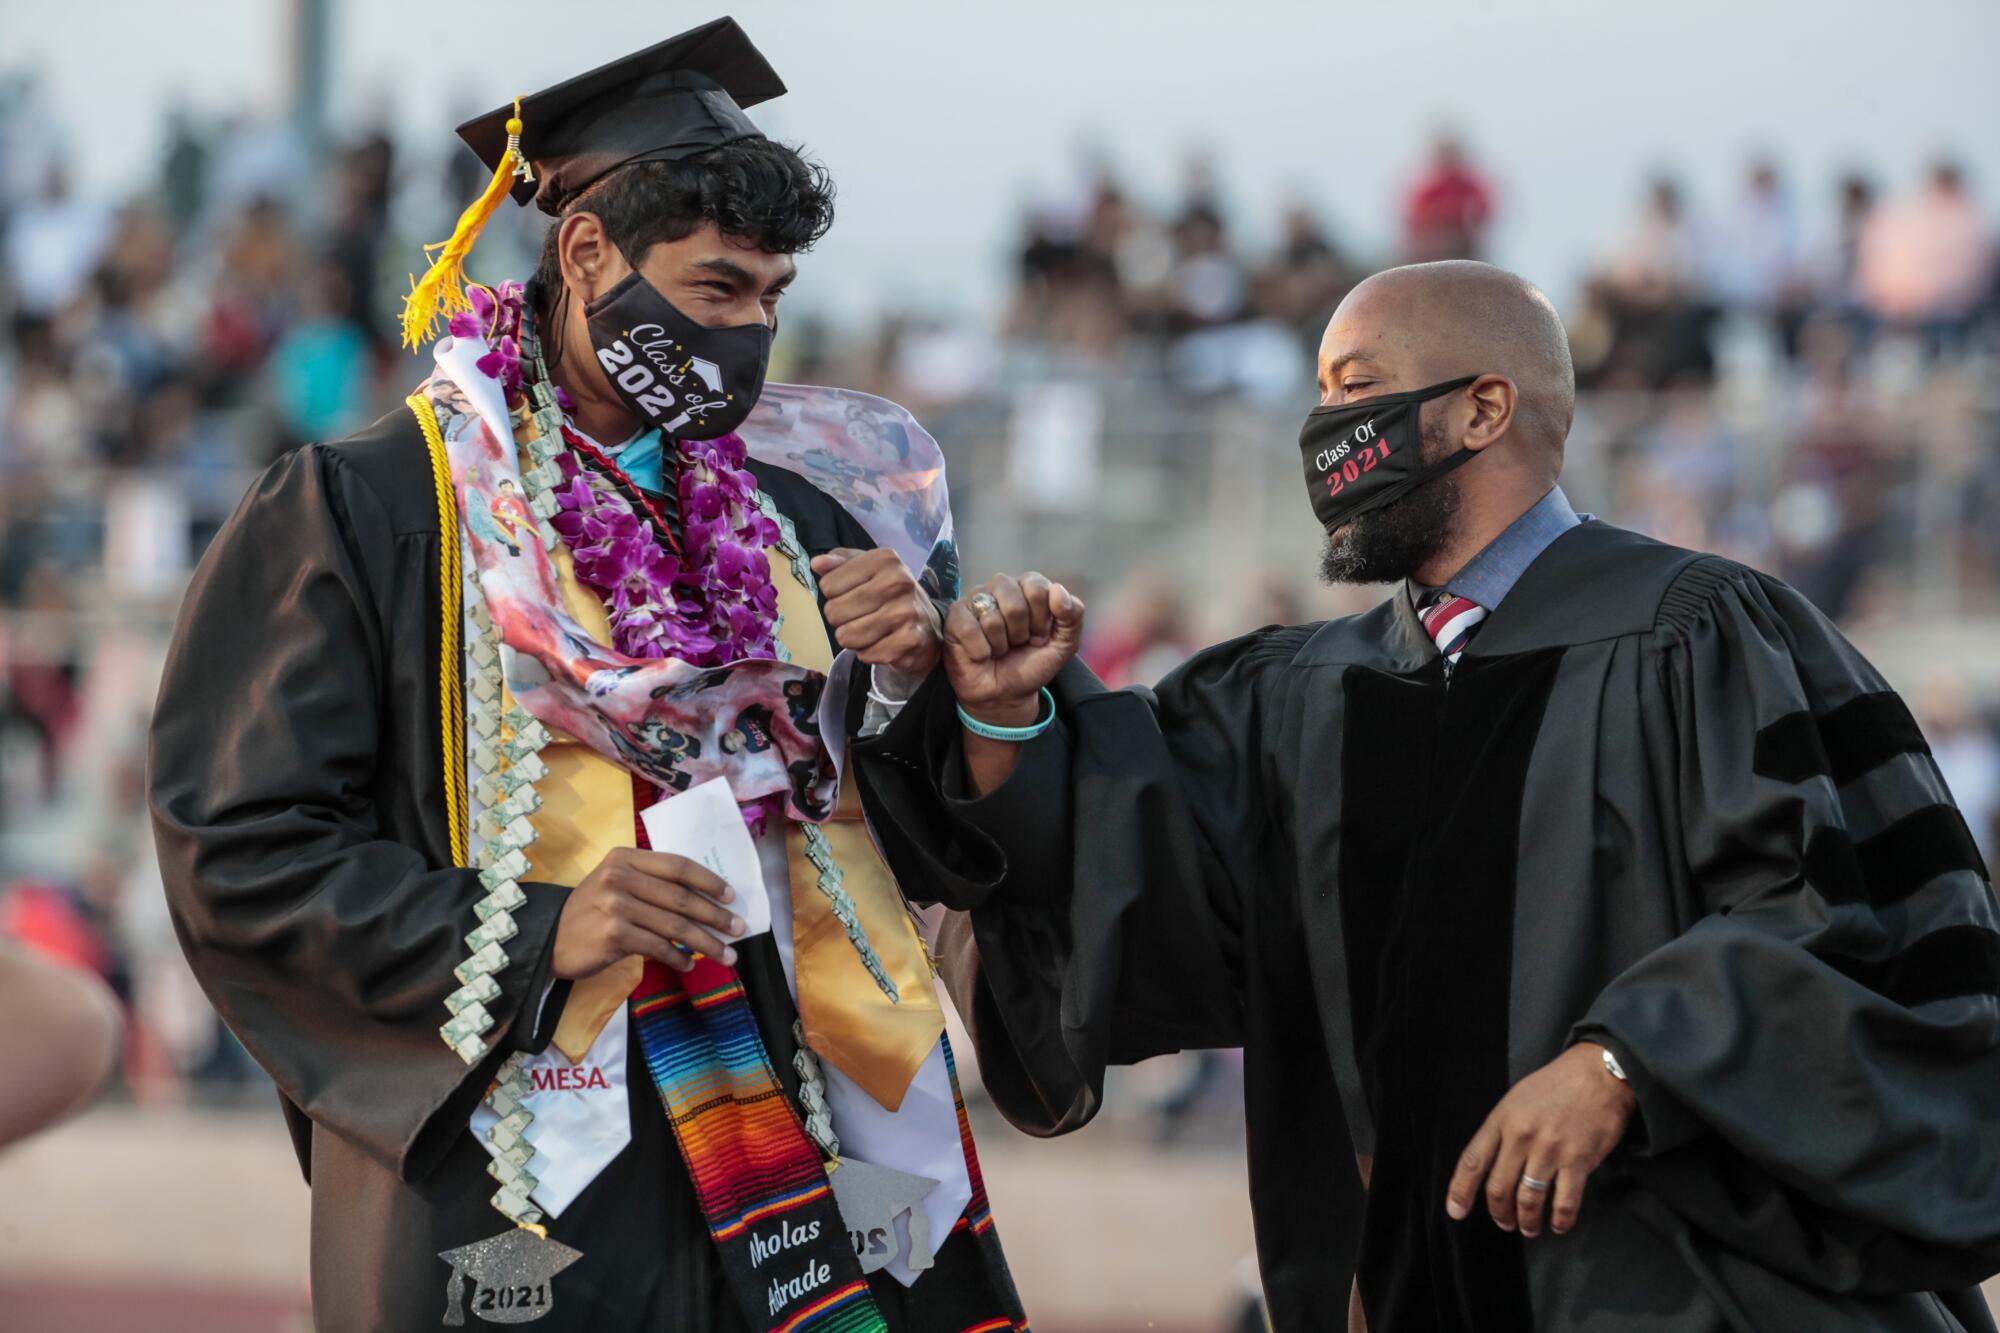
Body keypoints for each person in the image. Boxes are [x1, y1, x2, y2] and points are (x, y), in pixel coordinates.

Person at [854, 260, 2000, 1330]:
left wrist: (1623, 1060)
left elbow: (1848, 920)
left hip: (1681, 1289)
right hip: (1401, 1284)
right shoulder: (1297, 696)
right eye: (1316, 394)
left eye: (1356, 388)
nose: (1325, 432)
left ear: (1481, 410)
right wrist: (1009, 722)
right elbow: (1154, 898)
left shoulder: (1701, 636)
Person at [150, 20, 1027, 1331]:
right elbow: (242, 847)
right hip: (519, 1167)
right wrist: (538, 931)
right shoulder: (374, 515)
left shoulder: (802, 526)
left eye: (772, 300)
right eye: (719, 289)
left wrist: (919, 689)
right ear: (585, 252)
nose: (751, 336)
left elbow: (905, 847)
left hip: (786, 1144)